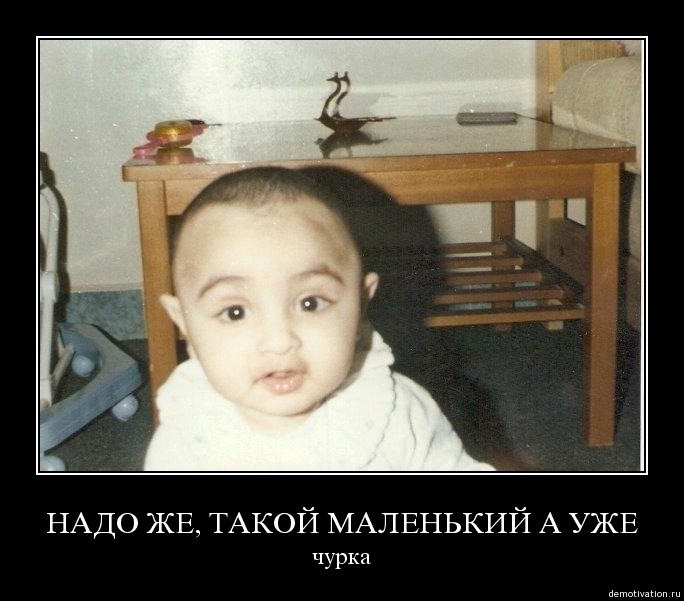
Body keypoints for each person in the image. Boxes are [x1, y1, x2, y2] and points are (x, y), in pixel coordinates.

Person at [143, 166, 494, 472]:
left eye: (310, 303)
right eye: (235, 312)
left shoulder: (395, 411)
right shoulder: (188, 437)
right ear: (184, 323)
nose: (280, 341)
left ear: (361, 304)